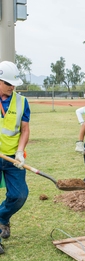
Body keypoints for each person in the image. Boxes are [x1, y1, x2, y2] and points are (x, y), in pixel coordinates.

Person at [0, 61, 31, 249]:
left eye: (14, 84)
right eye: (9, 83)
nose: (12, 87)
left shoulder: (21, 102)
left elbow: (25, 130)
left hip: (12, 157)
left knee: (19, 195)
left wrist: (20, 151)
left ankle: (3, 216)